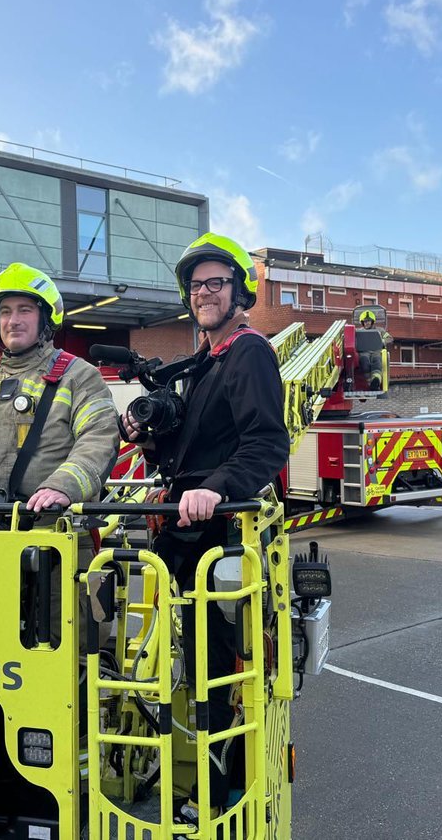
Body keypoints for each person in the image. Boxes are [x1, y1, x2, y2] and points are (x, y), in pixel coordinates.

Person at [122, 232, 288, 823]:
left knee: (215, 668)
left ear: (240, 290)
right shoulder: (208, 359)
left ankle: (219, 791)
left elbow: (266, 442)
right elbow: (197, 442)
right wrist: (151, 434)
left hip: (216, 539)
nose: (204, 293)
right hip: (184, 535)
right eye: (196, 286)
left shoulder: (249, 352)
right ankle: (186, 767)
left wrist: (214, 489)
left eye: (216, 283)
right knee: (180, 663)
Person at [0, 262, 119, 511]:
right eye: (5, 311)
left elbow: (99, 439)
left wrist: (62, 486)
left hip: (53, 529)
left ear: (45, 317)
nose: (13, 321)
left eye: (25, 310)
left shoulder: (79, 376)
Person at [358, 309, 392, 391]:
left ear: (372, 321)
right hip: (364, 352)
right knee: (364, 362)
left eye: (368, 321)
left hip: (376, 351)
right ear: (362, 322)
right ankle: (369, 383)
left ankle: (376, 381)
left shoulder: (380, 330)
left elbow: (390, 338)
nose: (367, 323)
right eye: (365, 321)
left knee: (377, 362)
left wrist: (383, 341)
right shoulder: (359, 331)